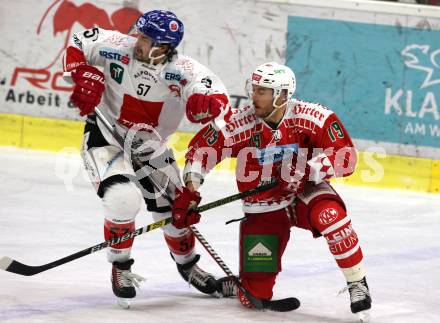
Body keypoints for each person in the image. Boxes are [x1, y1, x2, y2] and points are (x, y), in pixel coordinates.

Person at [62, 9, 233, 307]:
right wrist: (81, 72)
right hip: (107, 136)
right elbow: (79, 41)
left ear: (163, 47)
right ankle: (121, 266)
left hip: (150, 146)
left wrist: (207, 103)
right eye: (139, 32)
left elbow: (216, 95)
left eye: (145, 37)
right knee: (122, 198)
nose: (136, 39)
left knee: (177, 213)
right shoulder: (116, 45)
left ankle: (188, 265)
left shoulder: (183, 70)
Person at [175, 62, 372, 316]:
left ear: (281, 95)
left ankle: (357, 283)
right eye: (253, 88)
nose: (254, 95)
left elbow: (347, 157)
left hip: (305, 193)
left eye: (262, 91)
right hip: (263, 206)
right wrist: (191, 193)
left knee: (331, 218)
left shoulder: (312, 116)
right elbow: (199, 155)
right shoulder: (239, 122)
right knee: (254, 297)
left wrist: (307, 171)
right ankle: (244, 284)